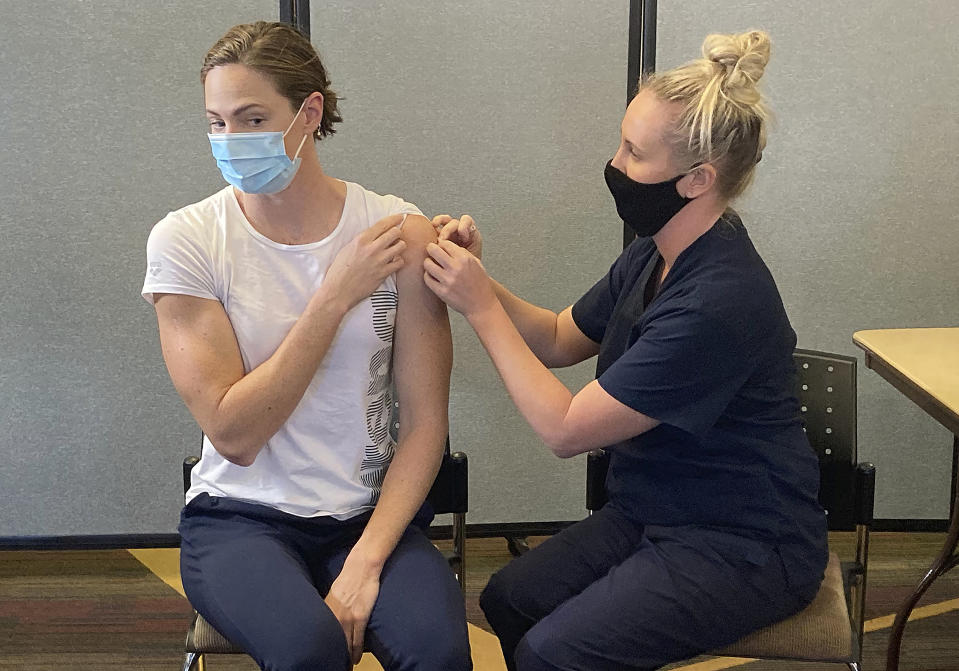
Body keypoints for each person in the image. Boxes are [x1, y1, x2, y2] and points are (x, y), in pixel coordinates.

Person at [423, 30, 827, 671]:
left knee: (554, 653)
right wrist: (477, 275)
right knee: (511, 599)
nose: (615, 164)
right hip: (653, 509)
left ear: (698, 179)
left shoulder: (719, 300)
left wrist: (476, 307)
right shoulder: (656, 249)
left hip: (744, 541)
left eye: (634, 154)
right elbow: (558, 337)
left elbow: (564, 429)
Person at [141, 21, 470, 671]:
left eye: (252, 118)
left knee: (439, 653)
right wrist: (332, 298)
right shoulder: (187, 241)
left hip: (366, 514)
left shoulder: (394, 232)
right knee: (310, 652)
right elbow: (234, 432)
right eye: (216, 123)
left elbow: (426, 425)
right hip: (239, 517)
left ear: (309, 111)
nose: (231, 141)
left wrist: (367, 560)